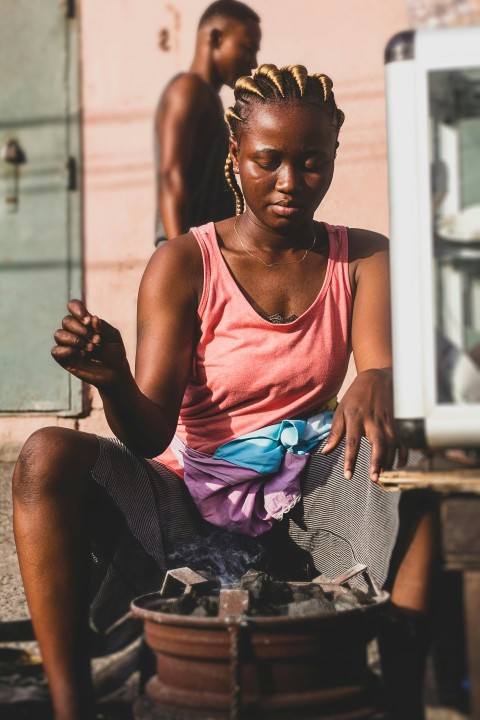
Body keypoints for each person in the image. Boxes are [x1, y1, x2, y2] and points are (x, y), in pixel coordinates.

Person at [12, 64, 437, 720]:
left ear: (332, 159)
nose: (292, 182)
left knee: (413, 463)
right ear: (236, 158)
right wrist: (116, 378)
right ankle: (75, 708)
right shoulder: (185, 264)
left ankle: (402, 702)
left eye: (312, 163)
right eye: (269, 161)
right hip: (192, 503)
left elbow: (377, 367)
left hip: (310, 499)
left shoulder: (363, 259)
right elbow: (152, 432)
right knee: (44, 456)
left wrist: (379, 379)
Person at [153, 0, 261, 246]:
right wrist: (180, 259)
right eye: (247, 48)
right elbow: (171, 176)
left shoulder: (207, 98)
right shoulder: (188, 90)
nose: (253, 62)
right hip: (190, 254)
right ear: (215, 38)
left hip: (203, 252)